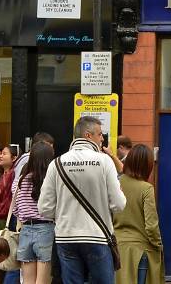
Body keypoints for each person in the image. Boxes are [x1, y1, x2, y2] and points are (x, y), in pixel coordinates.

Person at [38, 116, 126, 284]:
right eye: (100, 134)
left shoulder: (56, 164)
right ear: (88, 135)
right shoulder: (104, 161)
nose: (102, 139)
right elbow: (119, 204)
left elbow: (44, 208)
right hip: (97, 236)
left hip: (66, 237)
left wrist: (64, 213)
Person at [113, 145, 164, 284]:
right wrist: (158, 245)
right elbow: (151, 225)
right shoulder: (146, 188)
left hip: (116, 249)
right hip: (141, 251)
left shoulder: (115, 183)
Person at [14, 142, 55, 284]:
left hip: (25, 230)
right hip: (46, 229)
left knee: (27, 281)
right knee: (42, 282)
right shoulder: (50, 181)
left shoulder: (22, 179)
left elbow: (15, 208)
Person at [0, 145, 18, 231]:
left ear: (13, 158)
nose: (1, 156)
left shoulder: (15, 176)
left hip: (10, 219)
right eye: (0, 154)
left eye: (4, 154)